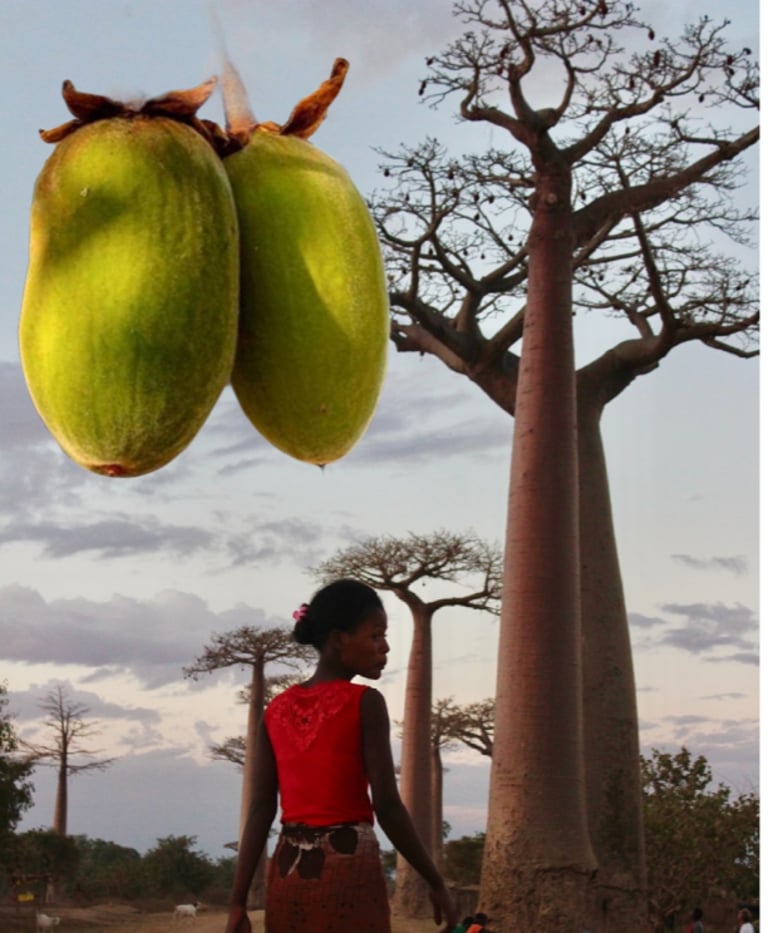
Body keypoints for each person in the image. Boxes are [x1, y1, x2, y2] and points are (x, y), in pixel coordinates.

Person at [225, 578, 457, 933]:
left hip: (289, 869)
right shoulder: (365, 702)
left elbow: (260, 808)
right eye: (376, 635)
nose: (385, 647)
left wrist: (238, 902)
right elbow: (388, 805)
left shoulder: (275, 710)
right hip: (349, 867)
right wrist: (435, 881)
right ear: (338, 639)